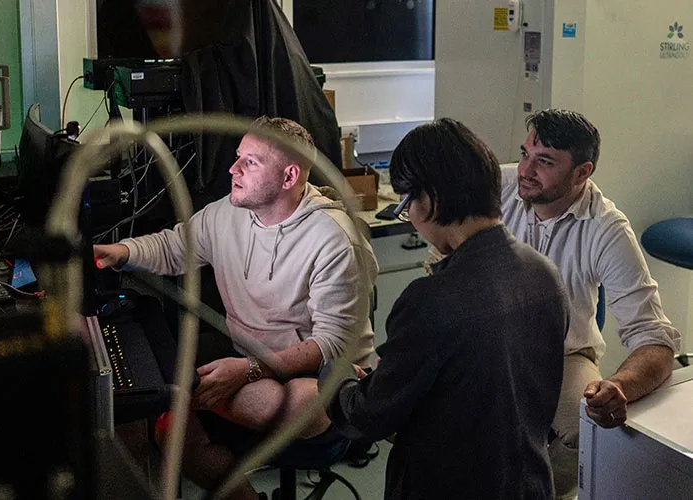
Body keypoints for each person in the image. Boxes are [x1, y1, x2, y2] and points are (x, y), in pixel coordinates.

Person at [94, 116, 378, 500]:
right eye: (237, 157)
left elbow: (329, 347)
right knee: (172, 433)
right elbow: (175, 247)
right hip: (255, 362)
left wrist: (246, 370)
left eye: (251, 162)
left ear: (289, 176)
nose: (233, 169)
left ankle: (189, 393)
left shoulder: (333, 239)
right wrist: (120, 253)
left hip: (329, 382)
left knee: (288, 403)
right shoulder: (229, 212)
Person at [324, 118, 570, 500]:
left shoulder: (430, 300)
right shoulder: (545, 274)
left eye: (407, 206)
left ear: (428, 199)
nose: (413, 222)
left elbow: (369, 417)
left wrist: (336, 382)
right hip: (529, 486)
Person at [504, 109, 682, 499]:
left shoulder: (606, 228)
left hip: (563, 354)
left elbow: (655, 339)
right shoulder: (501, 186)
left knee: (586, 429)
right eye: (525, 154)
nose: (526, 170)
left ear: (583, 173)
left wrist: (617, 386)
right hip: (490, 345)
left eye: (544, 161)